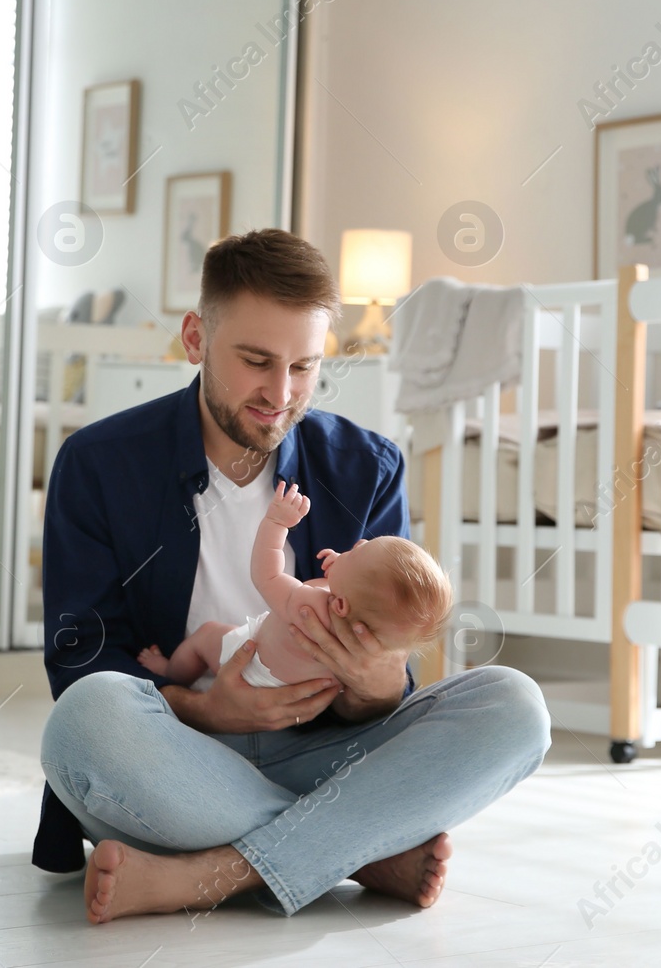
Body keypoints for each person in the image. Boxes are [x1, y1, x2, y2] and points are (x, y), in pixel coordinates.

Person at [35, 228, 550, 924]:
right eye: (255, 360)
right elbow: (80, 661)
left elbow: (390, 686)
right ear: (194, 338)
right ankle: (357, 850)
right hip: (180, 758)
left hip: (324, 752)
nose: (280, 394)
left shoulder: (367, 466)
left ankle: (208, 874)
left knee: (514, 704)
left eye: (303, 367)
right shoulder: (97, 463)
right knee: (84, 719)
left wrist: (372, 682)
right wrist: (206, 707)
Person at [137, 480, 452, 692]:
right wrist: (344, 569)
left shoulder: (310, 607)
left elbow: (267, 575)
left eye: (358, 551)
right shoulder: (370, 639)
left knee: (207, 634)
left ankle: (170, 675)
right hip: (296, 693)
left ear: (341, 604)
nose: (358, 541)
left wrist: (276, 524)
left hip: (250, 670)